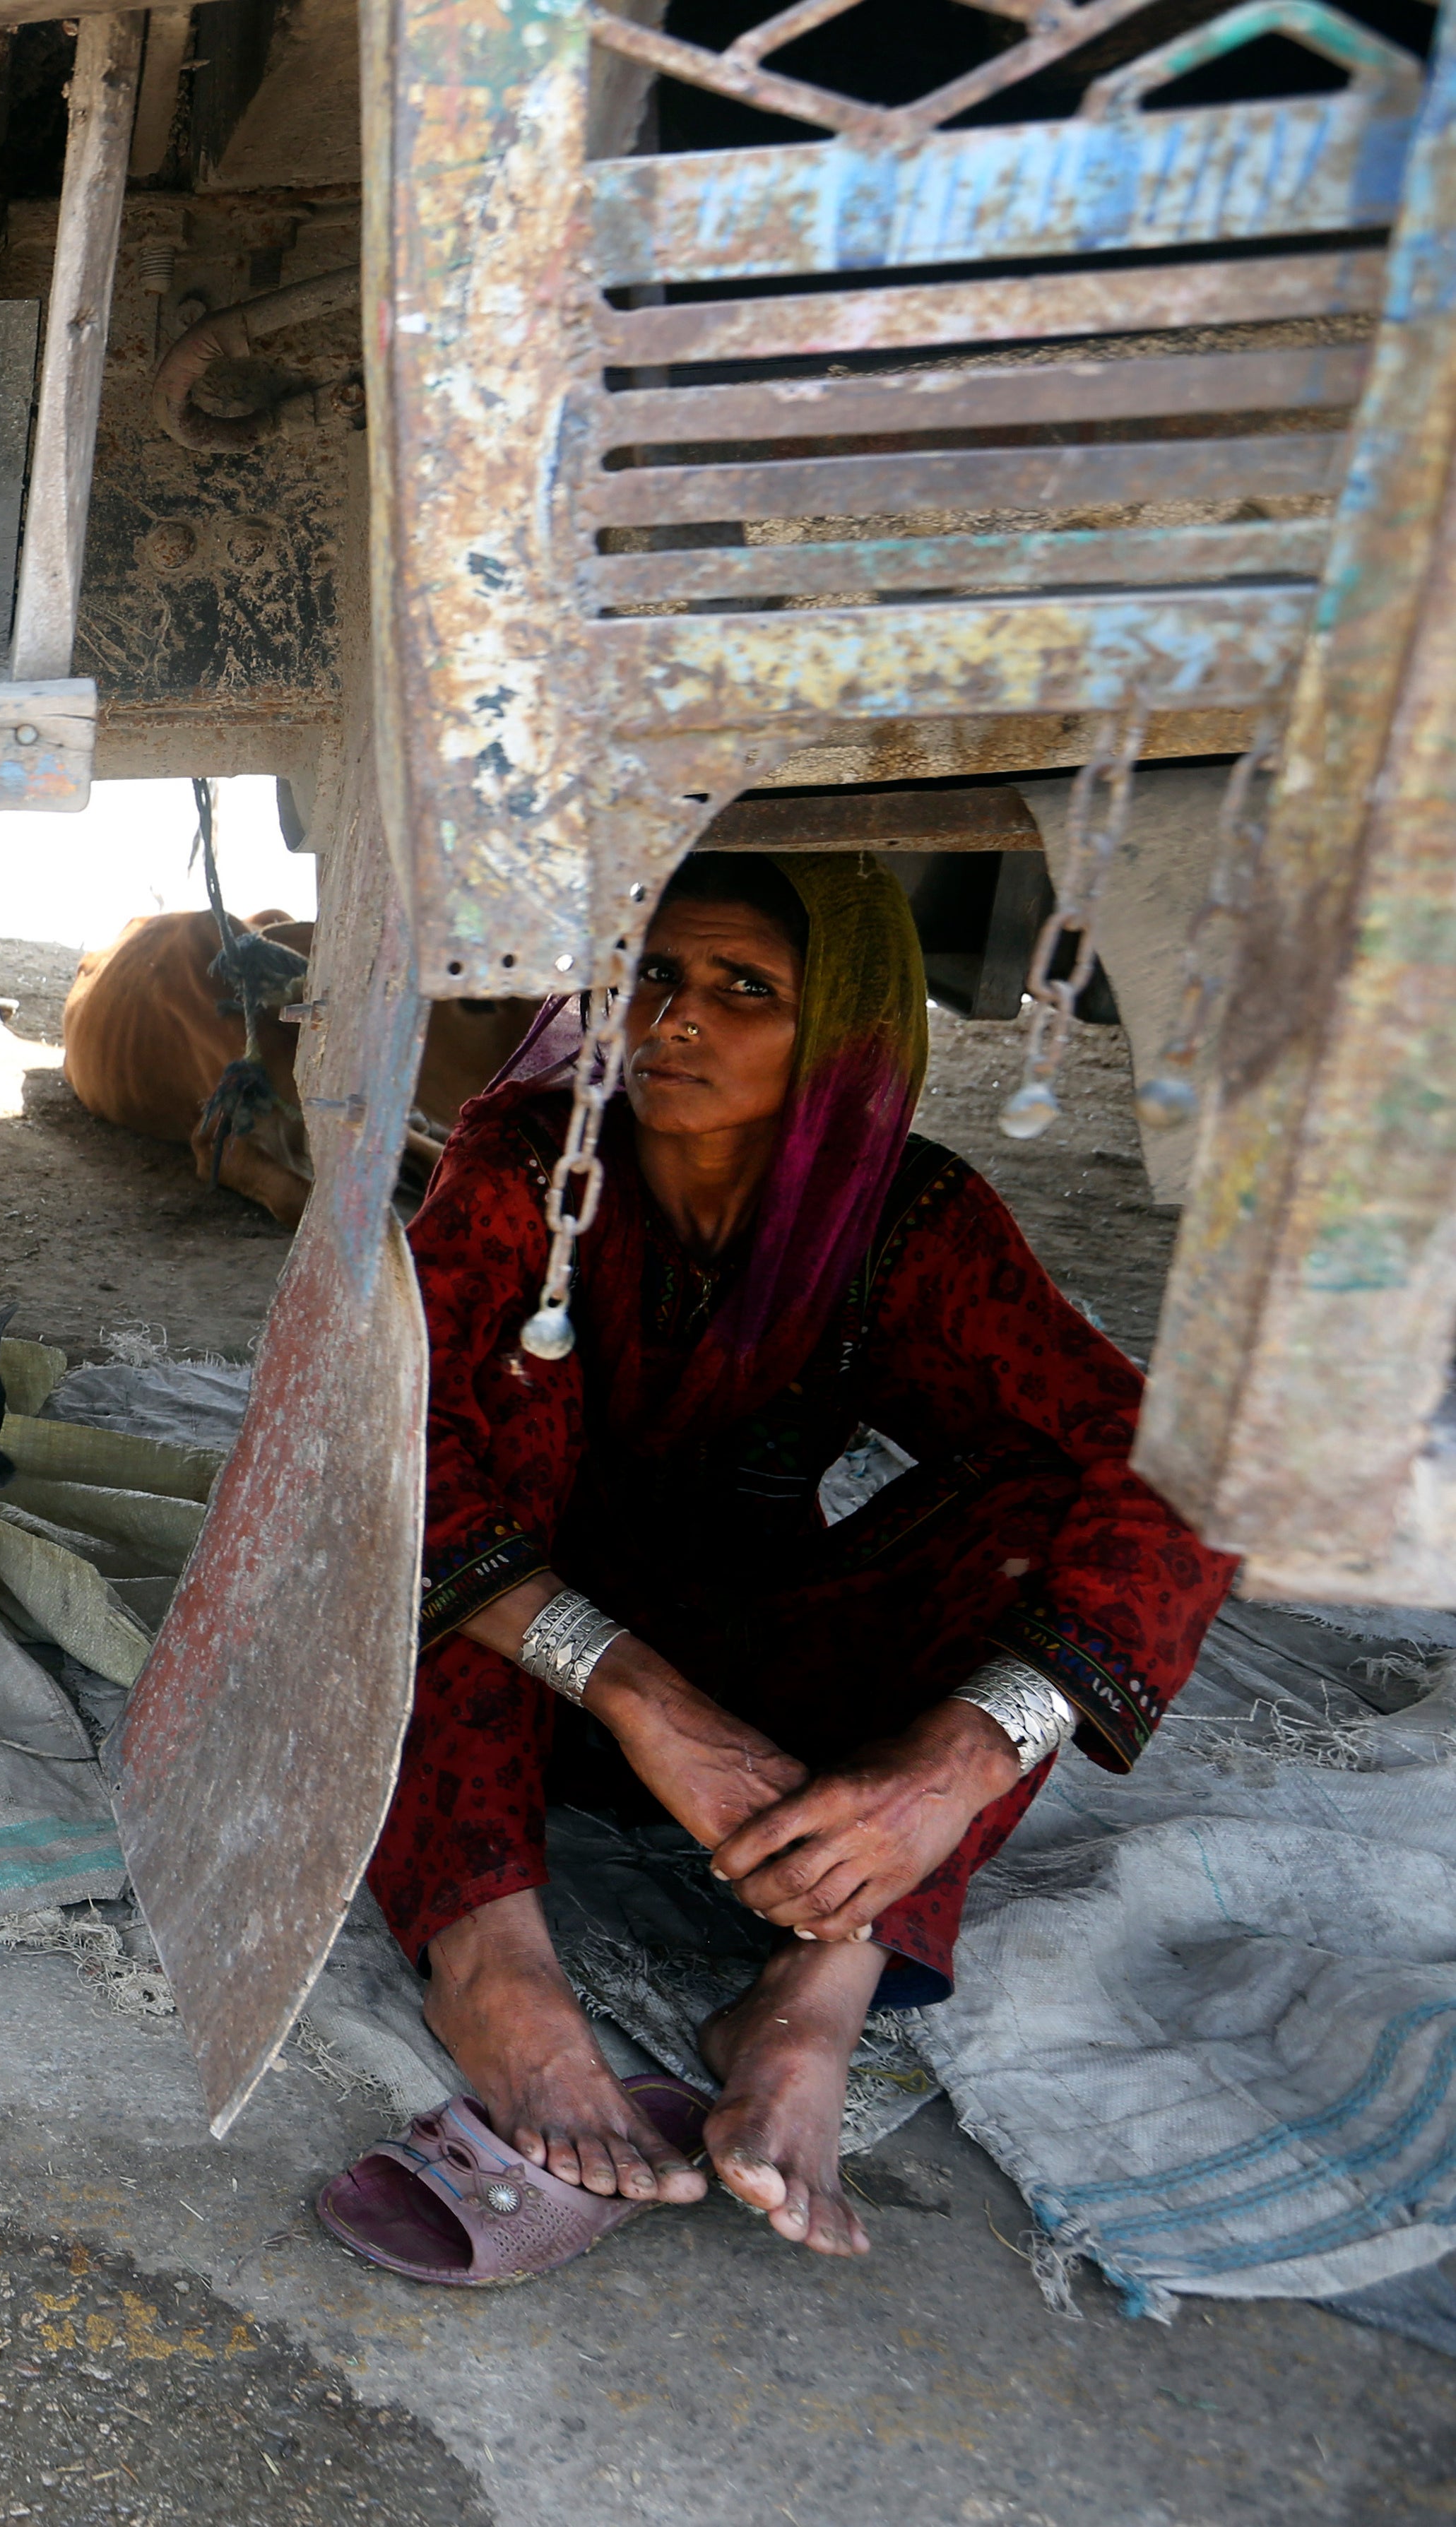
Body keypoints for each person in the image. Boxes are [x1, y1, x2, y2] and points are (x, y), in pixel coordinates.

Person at [321, 851, 1235, 2284]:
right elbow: (374, 1441)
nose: (674, 1017)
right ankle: (495, 1967)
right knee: (447, 1437)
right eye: (651, 973)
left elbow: (1169, 1473)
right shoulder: (532, 1165)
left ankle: (817, 1984)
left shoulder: (908, 1221)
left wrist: (954, 1763)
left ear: (847, 1034)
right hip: (506, 1679)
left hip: (765, 1679)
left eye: (744, 986)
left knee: (1058, 1495)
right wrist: (640, 1698)